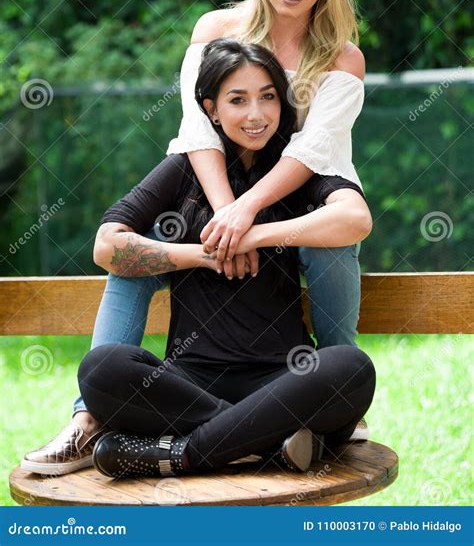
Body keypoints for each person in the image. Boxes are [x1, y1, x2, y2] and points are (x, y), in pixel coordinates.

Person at [21, 0, 369, 475]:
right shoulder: (215, 32)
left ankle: (191, 447)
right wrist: (222, 225)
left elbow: (311, 155)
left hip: (300, 204)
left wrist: (251, 221)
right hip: (214, 217)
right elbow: (193, 132)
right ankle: (93, 418)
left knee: (343, 344)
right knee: (125, 298)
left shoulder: (340, 58)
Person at [72, 40, 374, 478]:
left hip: (283, 377)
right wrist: (205, 254)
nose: (256, 114)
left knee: (351, 368)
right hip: (189, 382)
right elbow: (107, 246)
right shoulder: (185, 169)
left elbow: (355, 218)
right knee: (102, 368)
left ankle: (184, 453)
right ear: (211, 110)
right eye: (238, 100)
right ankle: (263, 443)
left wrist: (252, 233)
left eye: (268, 97)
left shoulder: (297, 166)